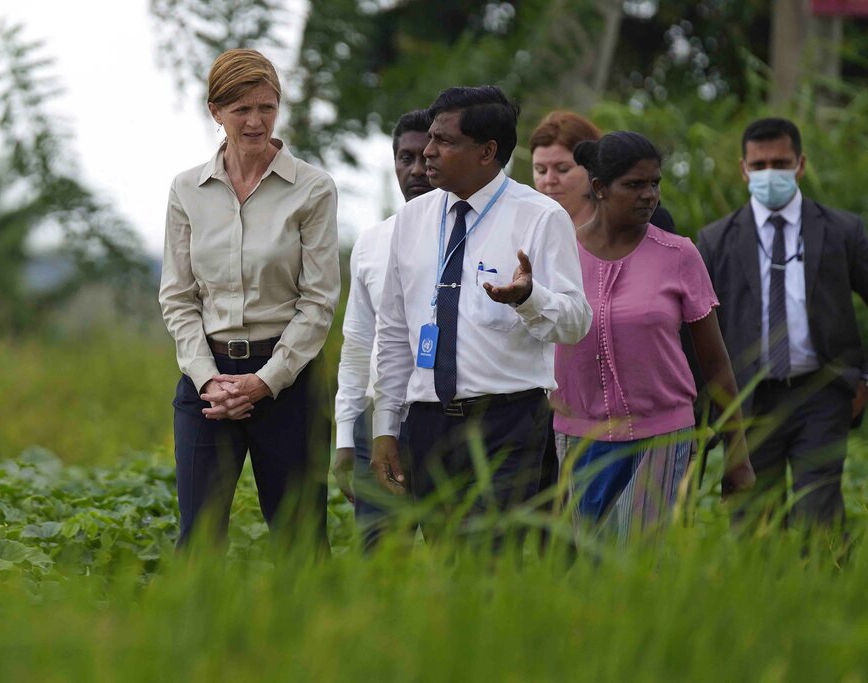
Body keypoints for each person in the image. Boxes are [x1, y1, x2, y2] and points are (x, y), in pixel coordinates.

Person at [371, 86, 592, 543]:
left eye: (444, 141)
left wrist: (529, 298)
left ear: (487, 152)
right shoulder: (411, 219)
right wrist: (386, 428)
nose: (427, 153)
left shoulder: (540, 217)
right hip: (428, 424)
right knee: (443, 560)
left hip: (507, 421)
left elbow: (576, 322)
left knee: (490, 559)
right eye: (431, 137)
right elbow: (393, 333)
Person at [159, 49, 340, 549]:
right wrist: (208, 379)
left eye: (267, 107)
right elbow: (178, 297)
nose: (256, 122)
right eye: (241, 110)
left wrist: (265, 381)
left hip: (289, 381)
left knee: (301, 541)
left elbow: (319, 301)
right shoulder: (187, 190)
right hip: (208, 384)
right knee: (198, 539)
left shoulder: (313, 189)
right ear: (215, 111)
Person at [697, 117, 868, 529]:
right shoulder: (716, 240)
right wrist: (707, 407)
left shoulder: (842, 230)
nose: (769, 173)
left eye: (780, 163)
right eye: (759, 165)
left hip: (822, 393)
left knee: (819, 518)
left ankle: (824, 570)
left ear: (801, 164)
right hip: (749, 402)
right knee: (753, 523)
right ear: (743, 170)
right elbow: (696, 326)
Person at [551, 131, 754, 542]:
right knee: (585, 565)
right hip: (578, 439)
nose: (649, 195)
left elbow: (715, 361)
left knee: (641, 561)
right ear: (599, 188)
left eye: (654, 183)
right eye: (634, 184)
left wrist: (738, 453)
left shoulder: (679, 255)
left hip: (662, 438)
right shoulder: (559, 255)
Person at [333, 109, 433, 548]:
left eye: (427, 157)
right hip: (378, 421)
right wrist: (345, 432)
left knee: (462, 559)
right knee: (380, 558)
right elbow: (358, 342)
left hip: (451, 417)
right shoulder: (372, 242)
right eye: (405, 158)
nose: (417, 170)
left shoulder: (477, 239)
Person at [530, 110, 678, 233]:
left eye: (563, 169)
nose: (549, 180)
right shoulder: (529, 226)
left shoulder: (645, 219)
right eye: (540, 170)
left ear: (591, 167)